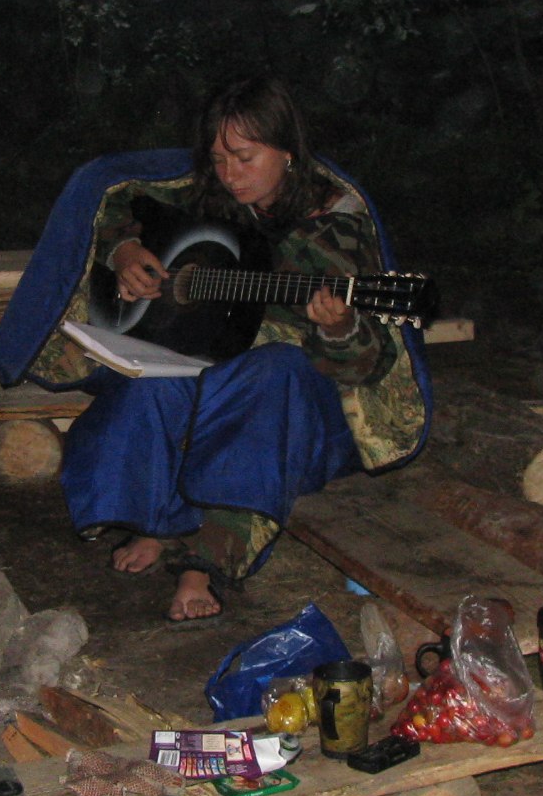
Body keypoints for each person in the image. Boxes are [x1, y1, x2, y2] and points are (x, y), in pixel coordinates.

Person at [58, 76, 420, 619]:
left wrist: (339, 327)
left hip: (297, 414)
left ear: (288, 151)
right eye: (219, 159)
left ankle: (206, 558)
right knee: (157, 377)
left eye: (245, 158)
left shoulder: (334, 230)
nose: (230, 174)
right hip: (217, 372)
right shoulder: (207, 197)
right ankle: (157, 521)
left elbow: (366, 365)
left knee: (271, 372)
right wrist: (125, 251)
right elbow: (110, 202)